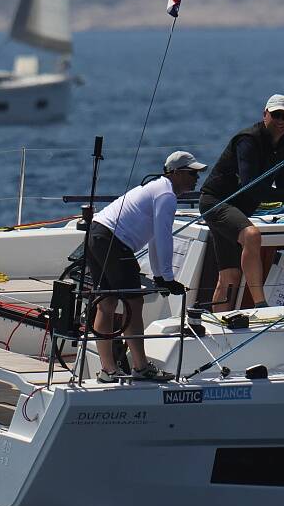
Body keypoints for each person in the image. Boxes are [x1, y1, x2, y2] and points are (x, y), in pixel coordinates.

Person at [87, 150, 207, 383]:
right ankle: (140, 368)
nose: (197, 179)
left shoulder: (158, 188)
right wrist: (168, 278)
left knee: (107, 303)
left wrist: (160, 275)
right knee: (133, 302)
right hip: (114, 242)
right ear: (176, 173)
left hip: (97, 234)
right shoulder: (166, 195)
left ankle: (108, 371)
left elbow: (154, 238)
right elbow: (163, 237)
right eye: (192, 173)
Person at [199, 94, 284, 312]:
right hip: (216, 202)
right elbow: (251, 186)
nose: (280, 120)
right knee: (252, 235)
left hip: (237, 209)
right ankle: (260, 303)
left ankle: (219, 323)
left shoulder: (283, 147)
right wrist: (283, 196)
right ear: (265, 114)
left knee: (229, 276)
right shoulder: (248, 140)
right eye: (276, 114)